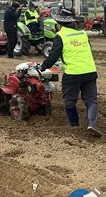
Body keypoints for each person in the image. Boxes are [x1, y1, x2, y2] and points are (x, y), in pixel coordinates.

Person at [40, 8, 101, 137]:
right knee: (91, 100)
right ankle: (92, 124)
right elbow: (88, 51)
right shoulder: (83, 34)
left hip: (73, 74)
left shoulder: (60, 36)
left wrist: (42, 67)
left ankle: (75, 126)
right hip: (90, 72)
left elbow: (53, 56)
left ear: (59, 23)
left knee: (69, 101)